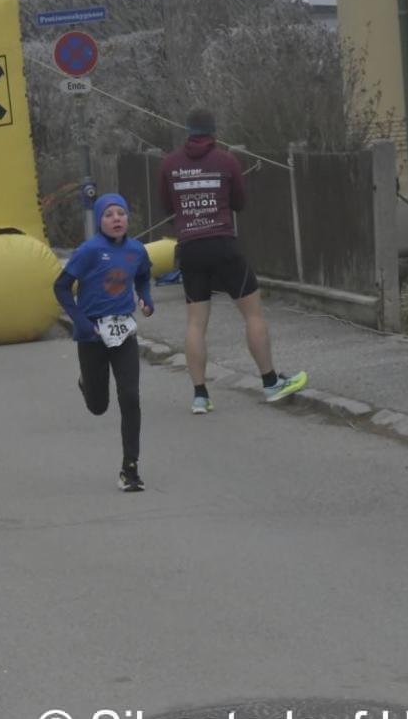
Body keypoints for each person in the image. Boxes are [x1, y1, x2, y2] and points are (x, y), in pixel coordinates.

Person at [158, 107, 307, 414]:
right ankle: (270, 383)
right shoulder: (226, 161)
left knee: (196, 322)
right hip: (223, 244)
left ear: (187, 131)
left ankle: (200, 395)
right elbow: (239, 201)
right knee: (252, 314)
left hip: (190, 248)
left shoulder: (170, 164)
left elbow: (166, 206)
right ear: (213, 131)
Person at [54, 193, 154, 492]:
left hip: (124, 333)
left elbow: (144, 276)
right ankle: (87, 382)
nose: (116, 219)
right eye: (109, 215)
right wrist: (81, 321)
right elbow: (61, 287)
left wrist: (145, 299)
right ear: (100, 221)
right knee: (98, 406)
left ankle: (130, 468)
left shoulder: (136, 250)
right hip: (92, 335)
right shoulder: (89, 251)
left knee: (130, 396)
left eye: (121, 213)